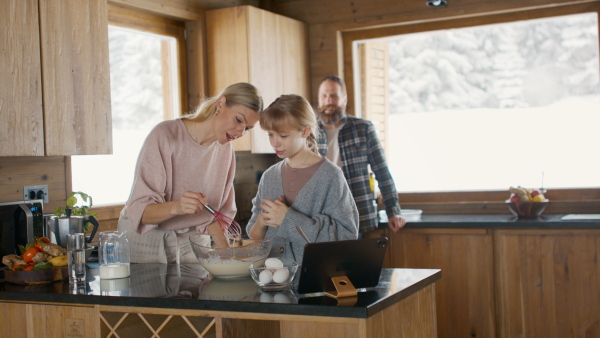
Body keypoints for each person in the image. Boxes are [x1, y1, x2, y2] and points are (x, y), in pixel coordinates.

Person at [118, 82, 263, 264]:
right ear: (221, 104)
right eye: (239, 120)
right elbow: (139, 212)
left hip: (192, 244)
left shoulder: (225, 151)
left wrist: (228, 261)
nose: (241, 132)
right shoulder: (165, 136)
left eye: (247, 128)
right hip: (146, 243)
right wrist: (177, 207)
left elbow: (214, 217)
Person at [246, 94, 359, 262]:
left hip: (314, 283)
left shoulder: (331, 176)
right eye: (270, 134)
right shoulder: (269, 177)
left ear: (305, 131)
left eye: (283, 136)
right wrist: (261, 222)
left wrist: (288, 219)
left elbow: (347, 236)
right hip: (272, 283)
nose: (275, 143)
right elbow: (254, 235)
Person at [316, 75, 407, 235]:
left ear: (344, 99)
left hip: (360, 216)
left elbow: (382, 172)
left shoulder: (363, 128)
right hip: (322, 221)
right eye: (324, 96)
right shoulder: (309, 133)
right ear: (319, 99)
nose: (328, 100)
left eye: (334, 95)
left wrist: (394, 211)